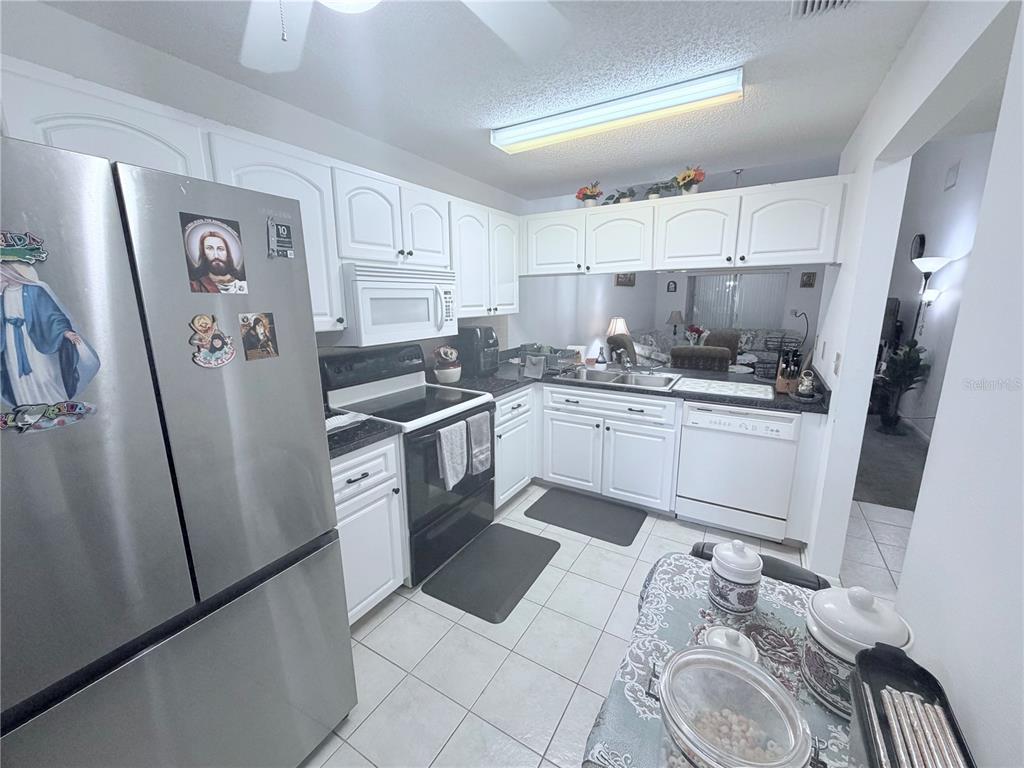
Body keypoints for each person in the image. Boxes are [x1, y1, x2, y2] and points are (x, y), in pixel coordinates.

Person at [1, 261, 99, 408]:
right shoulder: (2, 296)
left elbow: (52, 314)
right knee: (18, 378)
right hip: (11, 342)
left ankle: (57, 407)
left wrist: (65, 331)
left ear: (8, 272)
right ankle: (29, 410)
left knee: (44, 375)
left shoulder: (35, 291)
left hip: (35, 338)